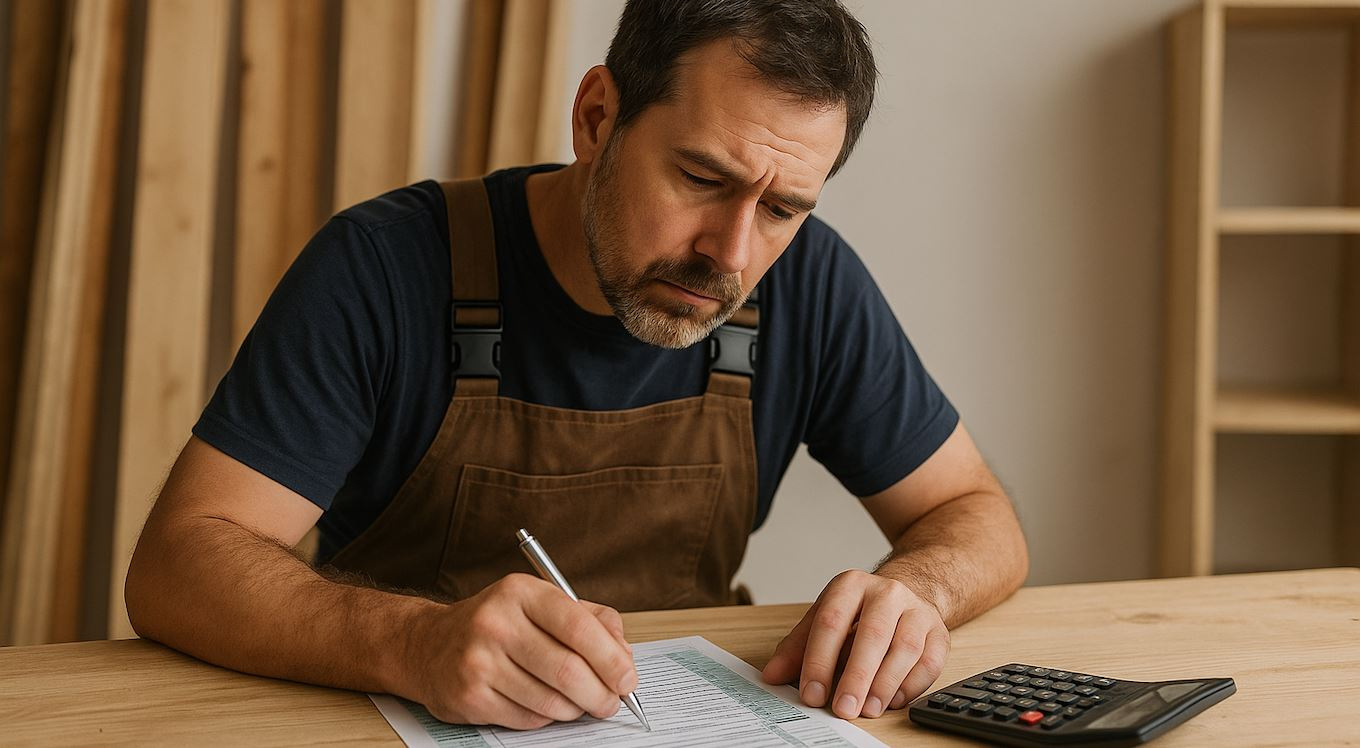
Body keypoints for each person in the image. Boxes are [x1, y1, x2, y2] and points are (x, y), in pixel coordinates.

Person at [125, 0, 1028, 731]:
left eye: (784, 207)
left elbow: (974, 515)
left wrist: (916, 592)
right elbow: (177, 565)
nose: (731, 253)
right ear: (598, 116)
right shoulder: (386, 264)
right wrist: (413, 642)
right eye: (702, 179)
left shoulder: (812, 284)